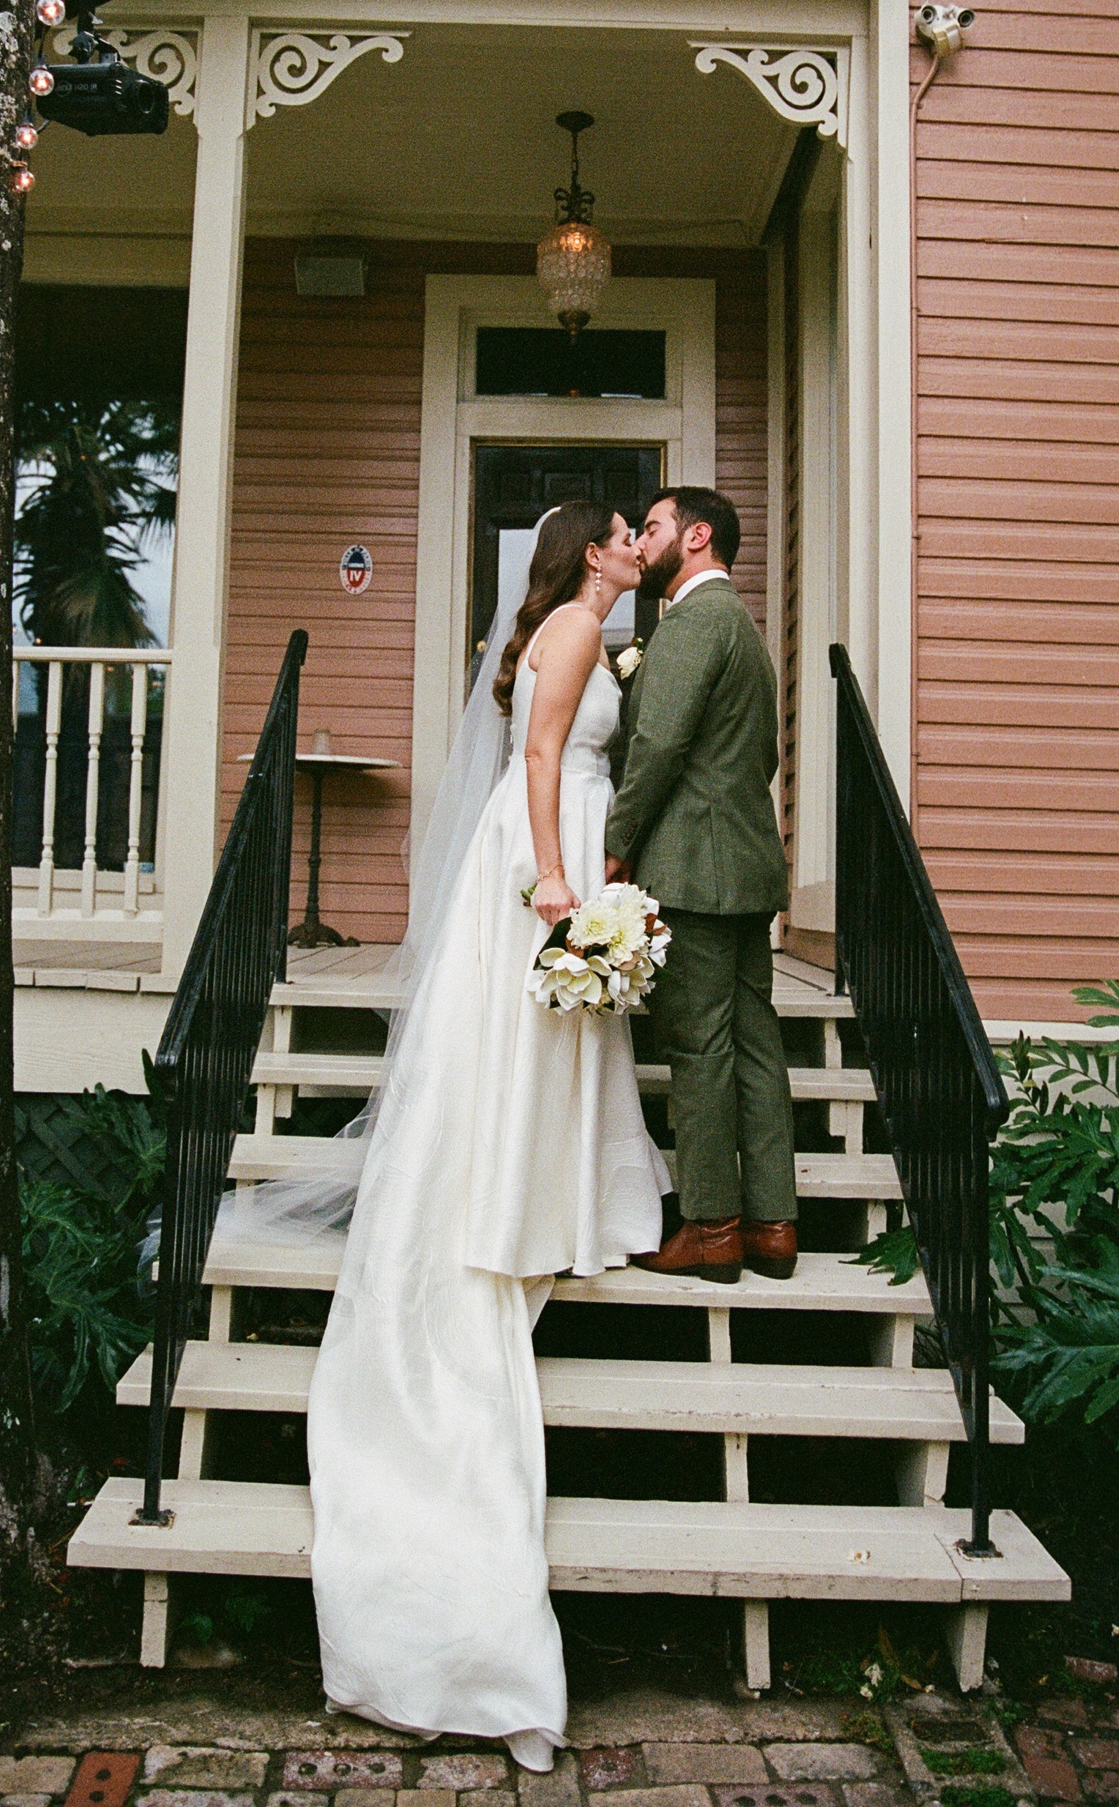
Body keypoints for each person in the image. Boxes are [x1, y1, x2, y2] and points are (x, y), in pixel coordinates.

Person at [302, 503, 668, 1768]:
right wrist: (562, 880)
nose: (635, 543)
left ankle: (552, 1187)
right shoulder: (573, 627)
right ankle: (516, 1195)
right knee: (531, 1029)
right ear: (582, 554)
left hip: (559, 843)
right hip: (542, 850)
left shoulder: (589, 625)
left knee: (551, 1040)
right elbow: (540, 754)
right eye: (623, 531)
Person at [604, 487, 797, 1285]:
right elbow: (763, 761)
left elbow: (655, 744)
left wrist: (617, 846)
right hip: (747, 867)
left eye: (651, 527)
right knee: (755, 1045)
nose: (642, 542)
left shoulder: (690, 621)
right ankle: (773, 1224)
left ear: (698, 535)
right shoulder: (745, 630)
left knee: (699, 1047)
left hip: (693, 870)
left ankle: (713, 1228)